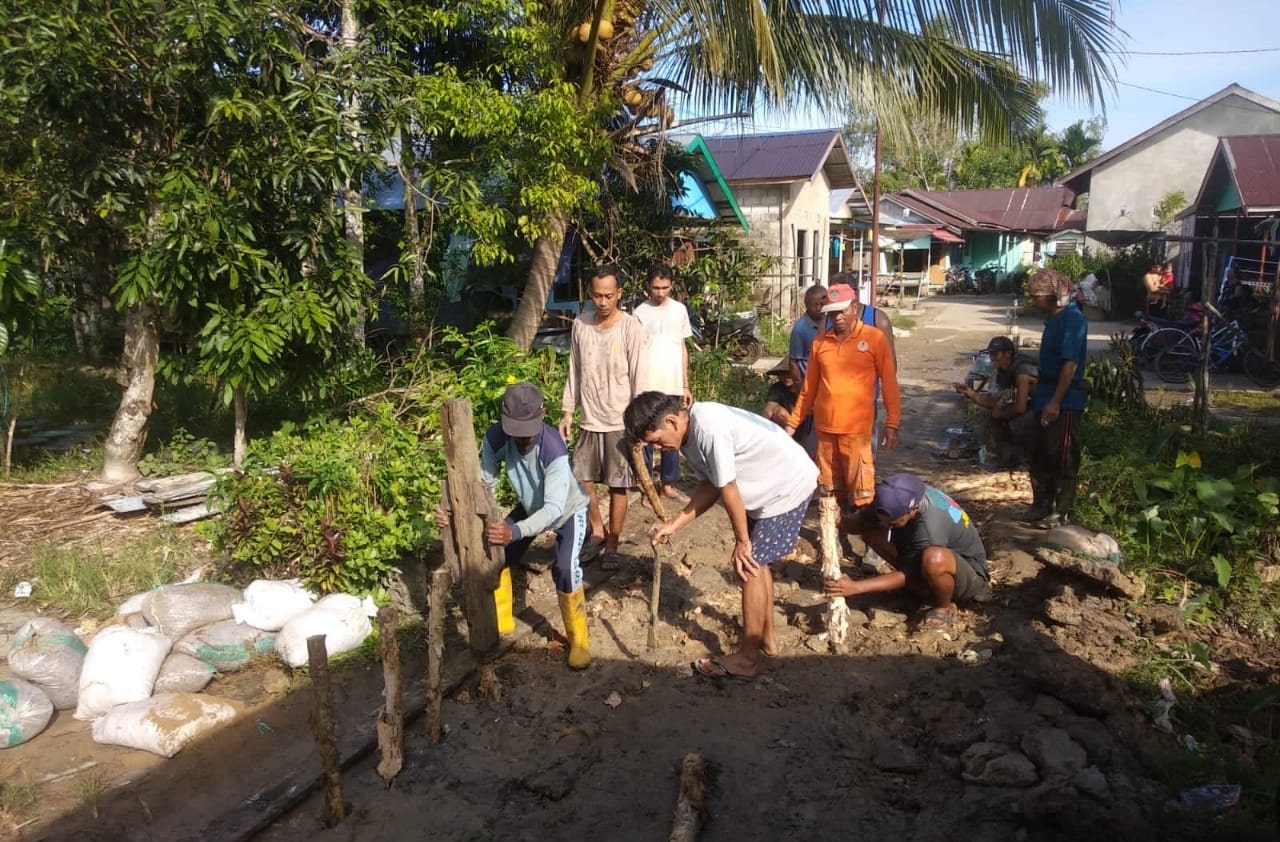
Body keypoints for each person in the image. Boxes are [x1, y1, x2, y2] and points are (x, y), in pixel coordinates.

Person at [624, 391, 818, 679]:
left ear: (671, 421)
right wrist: (673, 525)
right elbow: (711, 487)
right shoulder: (688, 437)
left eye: (657, 440)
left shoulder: (709, 427)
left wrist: (742, 542)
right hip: (769, 489)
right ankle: (767, 640)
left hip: (786, 485)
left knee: (748, 565)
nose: (660, 449)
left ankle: (748, 659)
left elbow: (727, 487)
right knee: (757, 563)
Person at [435, 383, 594, 669]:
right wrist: (454, 514)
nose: (521, 439)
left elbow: (554, 508)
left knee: (565, 568)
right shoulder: (496, 438)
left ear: (543, 415)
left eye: (527, 431)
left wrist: (517, 530)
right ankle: (502, 618)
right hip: (531, 505)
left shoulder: (553, 449)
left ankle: (579, 639)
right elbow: (483, 487)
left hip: (568, 510)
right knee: (497, 551)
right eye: (515, 431)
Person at [784, 282, 901, 512]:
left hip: (857, 432)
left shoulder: (874, 339)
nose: (837, 317)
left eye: (842, 311)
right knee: (829, 494)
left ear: (855, 308)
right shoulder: (820, 343)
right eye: (833, 312)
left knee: (862, 495)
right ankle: (831, 540)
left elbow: (889, 383)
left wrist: (892, 423)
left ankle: (867, 541)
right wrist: (791, 425)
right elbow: (809, 389)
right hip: (826, 432)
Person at [824, 472, 989, 631]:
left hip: (968, 575)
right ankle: (919, 588)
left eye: (894, 524)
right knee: (872, 532)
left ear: (913, 510)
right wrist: (840, 520)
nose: (889, 526)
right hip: (919, 556)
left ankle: (943, 606)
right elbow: (860, 523)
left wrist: (857, 587)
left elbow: (912, 573)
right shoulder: (892, 498)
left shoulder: (930, 526)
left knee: (934, 559)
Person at [560, 266, 646, 570]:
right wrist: (568, 409)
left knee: (618, 485)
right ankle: (597, 532)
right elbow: (574, 370)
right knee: (582, 480)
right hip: (589, 418)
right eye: (597, 295)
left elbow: (640, 375)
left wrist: (640, 421)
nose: (603, 301)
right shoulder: (580, 325)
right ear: (590, 294)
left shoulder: (630, 327)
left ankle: (613, 543)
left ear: (619, 294)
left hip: (620, 422)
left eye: (609, 295)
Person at [1024, 267, 1088, 525]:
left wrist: (1055, 401)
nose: (1033, 301)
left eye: (1036, 296)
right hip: (1045, 393)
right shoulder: (1053, 319)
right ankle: (1041, 505)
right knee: (1039, 452)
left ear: (1052, 296)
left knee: (1062, 455)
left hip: (1064, 400)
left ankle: (1060, 512)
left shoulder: (1073, 320)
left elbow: (1069, 365)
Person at [631, 263, 693, 504]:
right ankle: (649, 488)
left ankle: (668, 484)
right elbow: (635, 351)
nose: (660, 292)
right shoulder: (639, 313)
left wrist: (685, 384)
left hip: (673, 383)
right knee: (648, 436)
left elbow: (682, 347)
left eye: (665, 287)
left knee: (671, 436)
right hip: (648, 384)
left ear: (672, 286)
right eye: (656, 287)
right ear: (648, 286)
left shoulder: (679, 311)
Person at [954, 336, 1038, 469]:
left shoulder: (1021, 371)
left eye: (995, 354)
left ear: (1008, 354)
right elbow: (996, 401)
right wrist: (970, 393)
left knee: (1014, 422)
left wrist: (1000, 414)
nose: (992, 357)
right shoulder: (1003, 372)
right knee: (993, 415)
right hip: (1033, 404)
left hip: (1045, 407)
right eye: (990, 353)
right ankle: (1007, 460)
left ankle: (1020, 461)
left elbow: (1020, 408)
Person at [787, 284, 827, 455]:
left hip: (827, 388)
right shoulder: (800, 329)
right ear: (806, 305)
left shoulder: (832, 322)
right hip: (809, 389)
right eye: (814, 304)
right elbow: (794, 363)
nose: (818, 308)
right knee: (807, 432)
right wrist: (800, 389)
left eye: (821, 304)